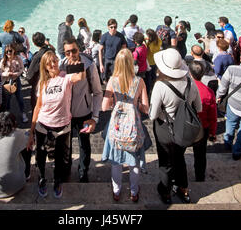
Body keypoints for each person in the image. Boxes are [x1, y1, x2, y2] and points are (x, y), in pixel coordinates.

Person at [27, 50, 86, 199]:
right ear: (45, 66)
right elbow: (38, 107)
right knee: (40, 156)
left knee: (61, 158)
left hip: (63, 127)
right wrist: (32, 131)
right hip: (43, 125)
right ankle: (41, 179)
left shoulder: (65, 77)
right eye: (49, 62)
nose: (53, 64)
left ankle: (57, 181)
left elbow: (80, 76)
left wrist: (78, 62)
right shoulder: (42, 82)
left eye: (54, 60)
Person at [149, 49, 202, 204]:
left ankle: (165, 192)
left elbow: (152, 115)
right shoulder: (191, 83)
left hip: (165, 128)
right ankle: (183, 188)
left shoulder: (160, 86)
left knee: (165, 162)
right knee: (179, 158)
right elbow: (198, 108)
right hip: (184, 127)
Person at [102, 49, 149, 202]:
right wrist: (135, 105)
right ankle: (134, 192)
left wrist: (115, 103)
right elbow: (145, 107)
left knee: (116, 161)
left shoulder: (112, 80)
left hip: (116, 125)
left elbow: (104, 106)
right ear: (131, 63)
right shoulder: (139, 81)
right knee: (133, 161)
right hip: (133, 125)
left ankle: (116, 191)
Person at [60, 38, 103, 183]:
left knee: (84, 144)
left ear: (79, 49)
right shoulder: (61, 66)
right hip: (66, 114)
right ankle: (66, 170)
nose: (71, 54)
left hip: (84, 113)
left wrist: (95, 117)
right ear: (64, 53)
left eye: (74, 50)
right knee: (66, 145)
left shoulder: (89, 65)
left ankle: (83, 172)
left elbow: (98, 92)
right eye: (67, 52)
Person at [0, 112, 32, 198]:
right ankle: (27, 174)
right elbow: (29, 141)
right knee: (27, 148)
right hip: (15, 186)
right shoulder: (16, 135)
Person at [216, 50, 241, 160]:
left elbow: (223, 87)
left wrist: (219, 96)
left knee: (230, 123)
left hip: (233, 104)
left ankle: (227, 143)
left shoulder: (232, 69)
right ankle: (237, 151)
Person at [189, 61, 217, 182]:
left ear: (189, 73)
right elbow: (213, 116)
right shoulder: (209, 92)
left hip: (186, 126)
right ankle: (200, 177)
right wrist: (212, 132)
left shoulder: (186, 89)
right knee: (200, 155)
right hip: (202, 127)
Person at [26, 32, 55, 114]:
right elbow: (53, 50)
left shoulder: (37, 56)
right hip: (52, 81)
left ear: (34, 44)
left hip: (40, 84)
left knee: (37, 108)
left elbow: (29, 77)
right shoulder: (50, 51)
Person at [0, 44, 28, 124]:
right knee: (7, 100)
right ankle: (8, 116)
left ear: (14, 51)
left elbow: (22, 68)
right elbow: (0, 72)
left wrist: (17, 74)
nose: (8, 53)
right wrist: (6, 74)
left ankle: (22, 113)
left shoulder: (18, 58)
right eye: (7, 51)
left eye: (10, 51)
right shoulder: (3, 60)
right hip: (7, 81)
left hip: (16, 80)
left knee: (20, 98)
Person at [145, 29, 162, 97]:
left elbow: (146, 52)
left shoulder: (149, 44)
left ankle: (149, 91)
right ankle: (155, 87)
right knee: (154, 76)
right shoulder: (158, 40)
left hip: (149, 62)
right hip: (156, 61)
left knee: (148, 78)